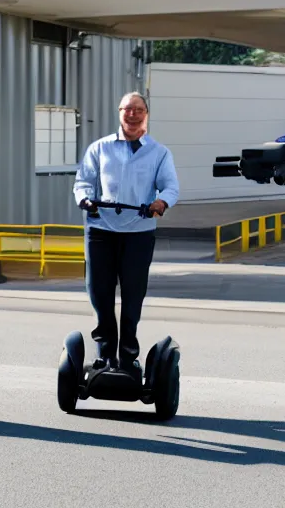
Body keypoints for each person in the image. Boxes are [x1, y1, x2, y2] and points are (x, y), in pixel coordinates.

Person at [73, 91, 179, 381]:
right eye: (127, 109)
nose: (132, 115)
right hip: (101, 230)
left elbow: (170, 186)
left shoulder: (159, 153)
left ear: (146, 114)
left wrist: (161, 202)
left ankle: (128, 355)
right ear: (119, 113)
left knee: (133, 295)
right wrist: (85, 199)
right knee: (100, 293)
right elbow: (83, 181)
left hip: (139, 232)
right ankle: (105, 353)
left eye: (138, 110)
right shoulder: (100, 148)